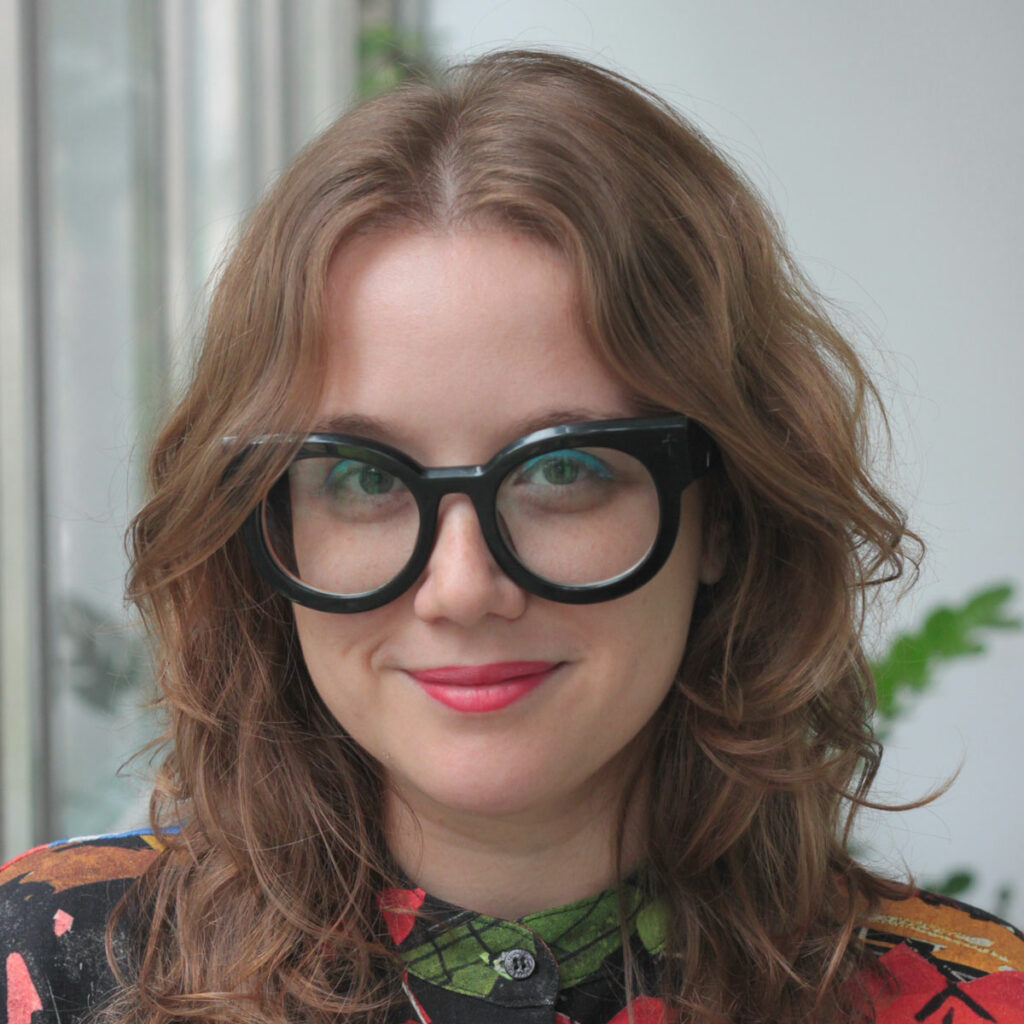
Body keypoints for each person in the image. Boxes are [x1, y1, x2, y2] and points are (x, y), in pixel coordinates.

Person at [1, 49, 1022, 1024]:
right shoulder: (46, 969)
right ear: (262, 522)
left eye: (562, 471)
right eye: (363, 477)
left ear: (724, 511)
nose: (460, 586)